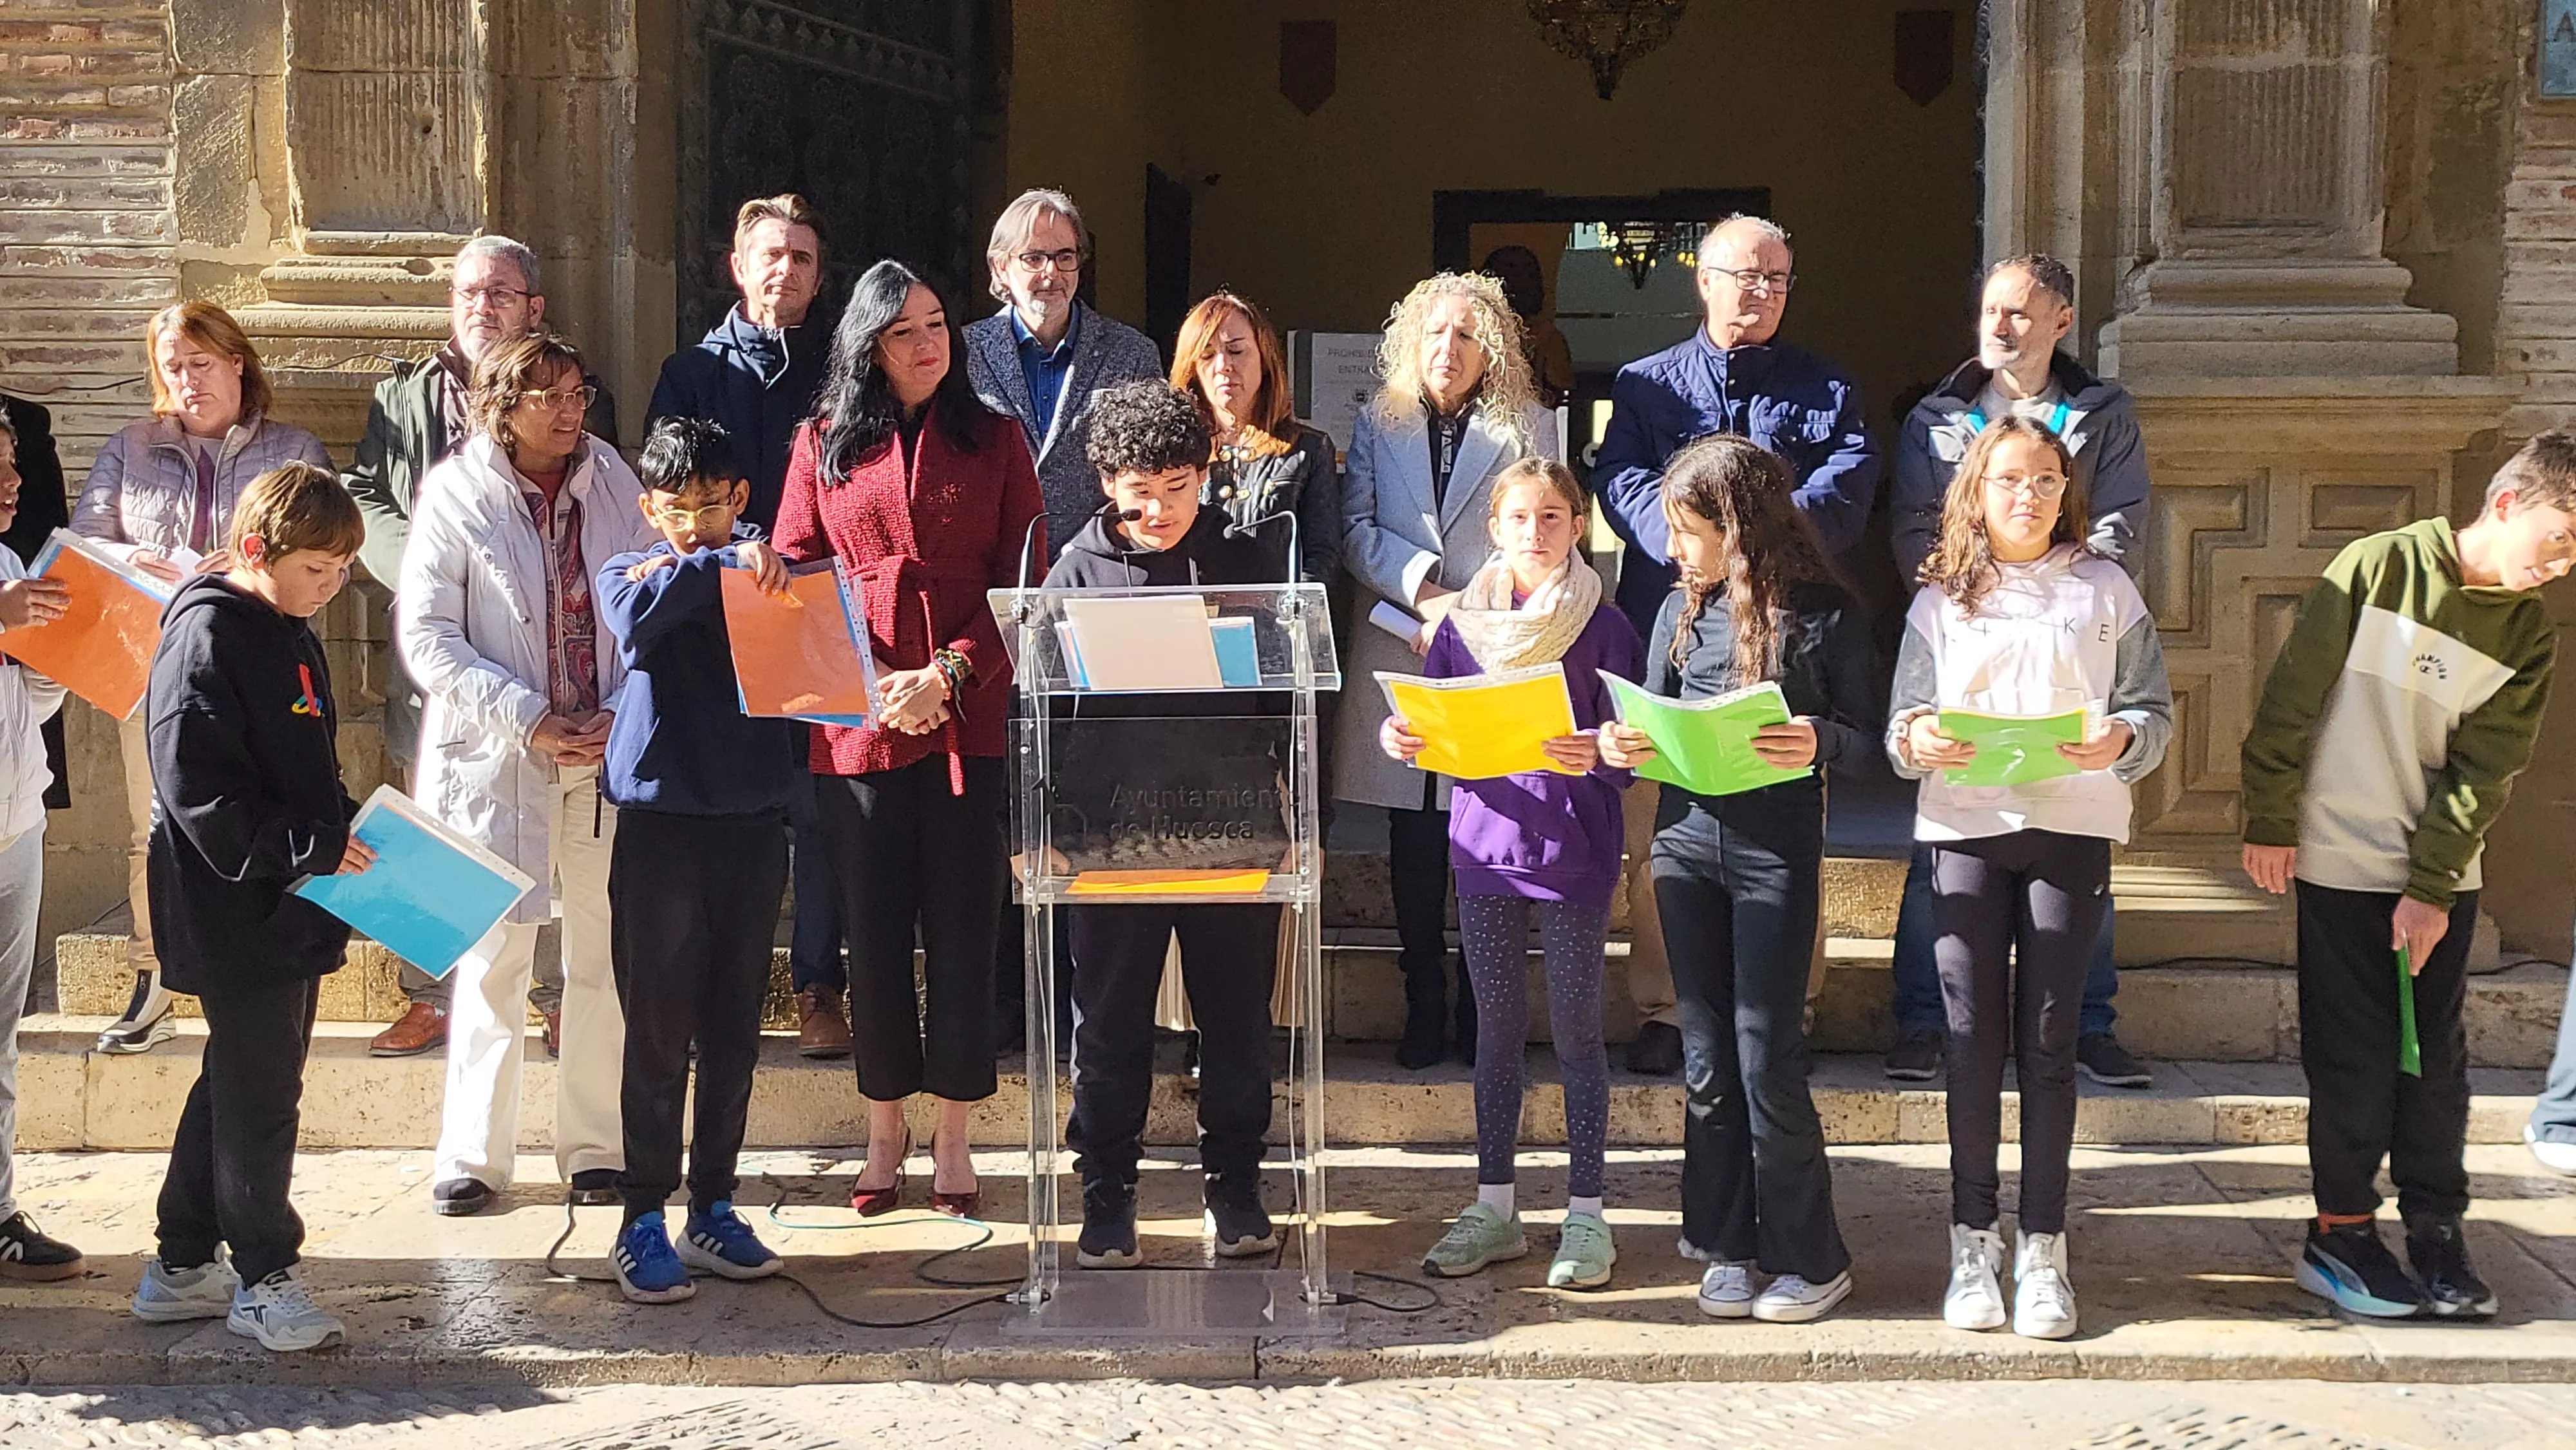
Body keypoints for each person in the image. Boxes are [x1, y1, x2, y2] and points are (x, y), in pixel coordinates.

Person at [2242, 429, 2576, 1321]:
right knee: (2352, 1059)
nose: (2563, 565)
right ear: (2507, 506)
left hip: (2440, 882)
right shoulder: (2377, 567)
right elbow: (2292, 696)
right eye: (2560, 538)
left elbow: (2486, 770)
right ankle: (2340, 1232)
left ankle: (2437, 1230)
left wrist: (2432, 886)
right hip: (2339, 861)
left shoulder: (2527, 636)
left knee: (2435, 1065)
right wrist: (2270, 815)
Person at [1888, 416, 2170, 1341]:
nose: (2029, 496)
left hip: (2070, 825)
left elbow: (2148, 709)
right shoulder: (1939, 601)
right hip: (1968, 829)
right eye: (2010, 480)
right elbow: (1904, 724)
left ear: (2067, 491)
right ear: (1978, 489)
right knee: (1971, 1040)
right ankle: (1976, 1241)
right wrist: (1917, 738)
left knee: (2049, 1044)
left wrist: (2122, 740)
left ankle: (2044, 1246)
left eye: (2046, 481)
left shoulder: (2106, 587)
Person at [775, 260, 1041, 1219]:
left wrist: (948, 677)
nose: (929, 344)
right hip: (859, 728)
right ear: (869, 346)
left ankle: (957, 1132)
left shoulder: (999, 439)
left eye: (938, 325)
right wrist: (874, 687)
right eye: (905, 331)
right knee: (873, 933)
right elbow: (796, 573)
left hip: (968, 718)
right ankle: (884, 1124)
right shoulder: (821, 443)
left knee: (966, 933)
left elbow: (1027, 585)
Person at [1589, 215, 1879, 1078]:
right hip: (1677, 619)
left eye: (1777, 280)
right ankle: (1666, 1008)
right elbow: (1623, 479)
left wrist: (1759, 539)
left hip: (1785, 635)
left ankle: (1789, 1008)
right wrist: (1690, 539)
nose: (1759, 293)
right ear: (1703, 280)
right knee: (1662, 826)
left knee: (1789, 819)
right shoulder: (1645, 384)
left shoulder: (1825, 388)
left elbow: (1850, 476)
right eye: (1744, 276)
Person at [1598, 435, 1878, 1323]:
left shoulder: (1828, 613)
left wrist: (1820, 741)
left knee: (1767, 1058)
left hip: (1772, 857)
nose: (1674, 549)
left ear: (1738, 523)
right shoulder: (1685, 608)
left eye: (1689, 531)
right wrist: (1621, 744)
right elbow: (1644, 717)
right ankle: (1722, 1243)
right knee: (1706, 1057)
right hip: (1683, 847)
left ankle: (1811, 1257)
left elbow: (1876, 742)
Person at [401, 333, 658, 1218]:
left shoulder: (618, 482)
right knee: (493, 955)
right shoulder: (457, 494)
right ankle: (474, 1156)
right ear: (501, 407)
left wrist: (620, 712)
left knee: (603, 953)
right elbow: (428, 637)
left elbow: (648, 602)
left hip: (600, 756)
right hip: (501, 756)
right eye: (545, 395)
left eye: (577, 392)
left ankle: (594, 1147)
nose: (567, 409)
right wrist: (529, 718)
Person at [1884, 254, 2156, 1089]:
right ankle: (1926, 1021)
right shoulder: (1938, 415)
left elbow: (2121, 518)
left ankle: (2088, 1021)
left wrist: (2059, 581)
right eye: (1991, 313)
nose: (2000, 329)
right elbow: (1912, 525)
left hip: (2072, 636)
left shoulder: (2102, 412)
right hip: (1966, 628)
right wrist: (1966, 596)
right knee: (1951, 833)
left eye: (2021, 314)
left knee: (2079, 829)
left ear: (2061, 322)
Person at [349, 234, 617, 1060]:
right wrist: (422, 571)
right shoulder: (406, 398)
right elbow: (366, 492)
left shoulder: (599, 460)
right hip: (459, 681)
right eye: (468, 292)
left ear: (533, 307)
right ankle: (429, 997)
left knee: (579, 911)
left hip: (581, 718)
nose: (480, 306)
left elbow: (633, 576)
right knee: (450, 862)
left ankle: (558, 1006)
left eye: (499, 293)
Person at [1041, 381, 1290, 1268]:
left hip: (1231, 825)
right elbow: (1044, 718)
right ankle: (1107, 1194)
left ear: (1206, 473)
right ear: (1107, 481)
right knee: (1108, 1024)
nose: (1159, 510)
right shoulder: (1073, 573)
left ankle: (1237, 1186)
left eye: (1178, 488)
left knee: (1237, 1020)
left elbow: (1287, 706)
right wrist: (1041, 823)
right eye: (1140, 491)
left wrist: (1301, 817)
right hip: (1109, 833)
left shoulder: (1248, 559)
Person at [126, 462, 371, 1351]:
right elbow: (200, 793)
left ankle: (182, 1263)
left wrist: (346, 831)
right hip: (234, 904)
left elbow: (304, 756)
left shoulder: (288, 623)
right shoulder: (206, 636)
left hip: (291, 898)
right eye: (318, 567)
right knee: (263, 1091)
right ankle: (264, 1277)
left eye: (346, 569)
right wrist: (306, 846)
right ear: (257, 548)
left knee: (239, 1075)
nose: (333, 585)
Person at [1386, 457, 1636, 1288]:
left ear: (1578, 527)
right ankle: (1495, 1206)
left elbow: (1638, 749)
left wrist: (1599, 752)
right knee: (1494, 1028)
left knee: (1574, 1027)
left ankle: (1587, 1213)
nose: (1537, 532)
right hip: (1484, 841)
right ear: (1494, 528)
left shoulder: (1605, 624)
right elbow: (1434, 718)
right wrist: (1405, 738)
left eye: (1555, 517)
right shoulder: (1462, 625)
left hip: (1573, 844)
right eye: (1521, 518)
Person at [74, 302, 332, 1057]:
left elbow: (325, 549)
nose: (187, 379)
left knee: (264, 807)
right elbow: (87, 544)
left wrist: (244, 571)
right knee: (150, 824)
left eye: (201, 362)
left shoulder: (293, 448)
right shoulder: (130, 447)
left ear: (237, 361)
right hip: (155, 666)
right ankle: (154, 974)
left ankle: (273, 954)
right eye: (172, 365)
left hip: (264, 668)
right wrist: (133, 564)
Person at [1334, 272, 1561, 1071]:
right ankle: (1421, 995)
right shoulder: (1379, 420)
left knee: (1485, 823)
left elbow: (1542, 530)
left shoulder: (1530, 423)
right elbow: (1354, 527)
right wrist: (1426, 594)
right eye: (1433, 333)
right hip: (1405, 634)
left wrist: (1474, 604)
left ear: (1491, 347)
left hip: (1495, 638)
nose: (1447, 349)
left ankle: (1480, 999)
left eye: (1466, 335)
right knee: (1414, 831)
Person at [643, 194, 850, 1060]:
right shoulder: (691, 370)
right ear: (738, 266)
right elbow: (665, 483)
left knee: (819, 808)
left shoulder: (844, 369)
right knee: (718, 808)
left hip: (810, 610)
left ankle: (817, 987)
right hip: (715, 614)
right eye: (772, 254)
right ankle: (699, 993)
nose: (786, 270)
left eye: (802, 258)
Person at [592, 418, 795, 1304]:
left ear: (740, 497)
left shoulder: (768, 565)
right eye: (676, 511)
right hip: (661, 821)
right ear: (647, 507)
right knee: (658, 1028)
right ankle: (641, 1214)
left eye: (714, 507)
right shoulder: (629, 570)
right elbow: (636, 619)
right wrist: (716, 563)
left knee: (734, 1030)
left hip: (750, 818)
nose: (697, 523)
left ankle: (713, 1203)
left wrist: (761, 566)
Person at [962, 187, 1164, 566]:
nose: (1051, 272)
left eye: (1064, 257)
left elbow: (1146, 471)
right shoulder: (964, 353)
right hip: (989, 569)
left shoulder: (1132, 353)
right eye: (1034, 257)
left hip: (1097, 567)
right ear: (1000, 268)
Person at [0, 412, 77, 1282]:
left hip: (16, 821)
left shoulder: (12, 562)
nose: (13, 481)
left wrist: (52, 658)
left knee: (1, 1034)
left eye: (13, 463)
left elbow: (35, 705)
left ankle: (0, 1212)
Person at [1479, 245, 1576, 409]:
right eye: (1508, 274)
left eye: (1528, 275)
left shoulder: (1548, 338)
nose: (1518, 282)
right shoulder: (1470, 335)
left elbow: (1561, 397)